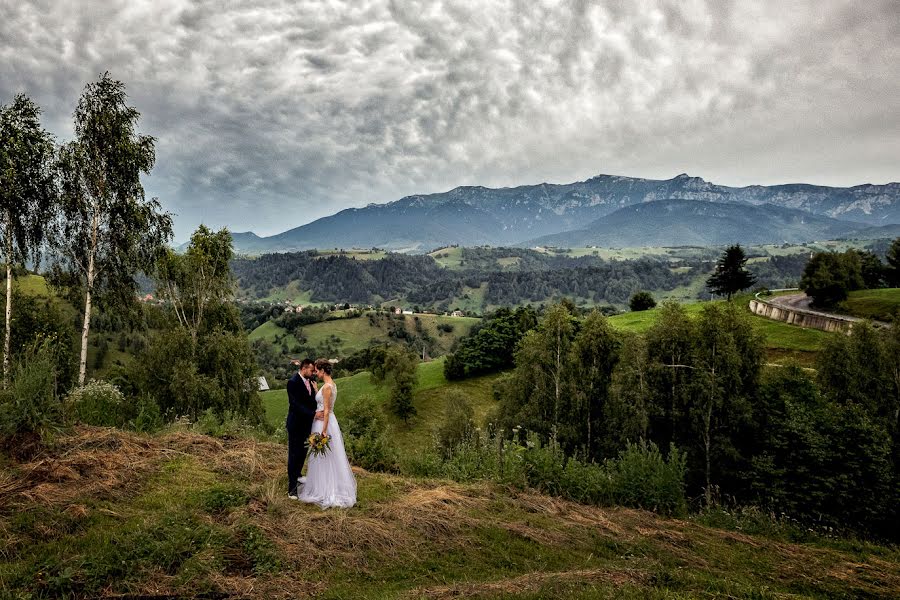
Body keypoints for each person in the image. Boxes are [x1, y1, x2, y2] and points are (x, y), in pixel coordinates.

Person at [298, 358, 357, 508]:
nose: (315, 373)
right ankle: (322, 483)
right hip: (328, 422)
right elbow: (325, 402)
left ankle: (325, 488)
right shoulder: (330, 385)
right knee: (327, 455)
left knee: (325, 455)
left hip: (324, 423)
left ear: (323, 371)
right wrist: (317, 390)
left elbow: (325, 411)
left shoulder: (327, 388)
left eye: (317, 370)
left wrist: (323, 431)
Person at [286, 358, 320, 499]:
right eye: (312, 370)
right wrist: (313, 414)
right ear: (304, 368)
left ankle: (298, 476)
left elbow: (312, 402)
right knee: (294, 454)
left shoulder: (310, 383)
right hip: (296, 425)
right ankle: (292, 488)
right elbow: (295, 405)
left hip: (307, 425)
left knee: (303, 452)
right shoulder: (292, 382)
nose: (313, 373)